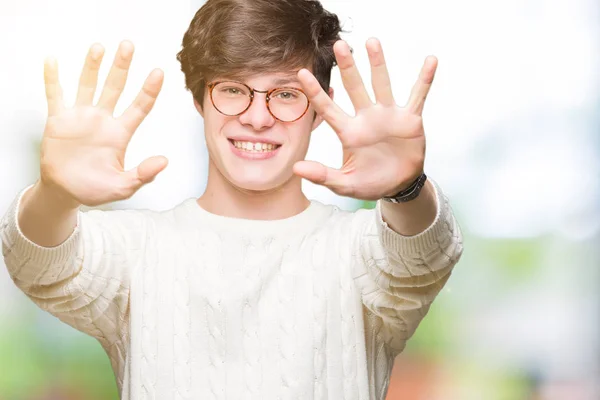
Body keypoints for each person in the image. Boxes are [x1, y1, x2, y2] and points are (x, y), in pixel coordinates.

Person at [1, 0, 463, 398]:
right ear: (200, 99)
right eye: (232, 90)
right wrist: (55, 194)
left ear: (320, 107)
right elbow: (42, 264)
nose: (257, 117)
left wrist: (406, 188)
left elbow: (421, 256)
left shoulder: (361, 252)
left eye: (285, 94)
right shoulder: (137, 251)